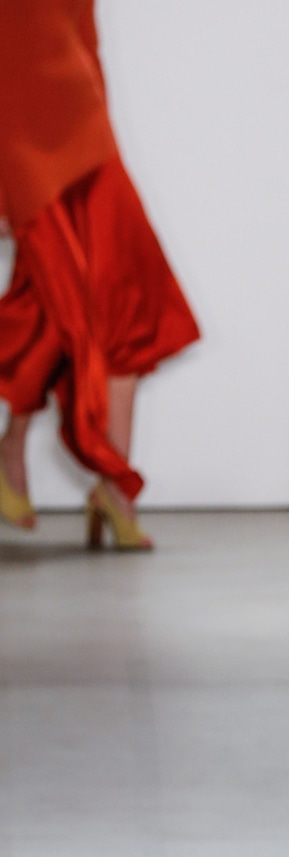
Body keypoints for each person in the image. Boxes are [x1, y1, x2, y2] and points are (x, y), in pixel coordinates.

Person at [0, 0, 199, 548]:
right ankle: (16, 455)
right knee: (55, 310)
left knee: (131, 299)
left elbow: (85, 37)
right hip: (26, 149)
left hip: (87, 135)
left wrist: (105, 135)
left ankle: (114, 488)